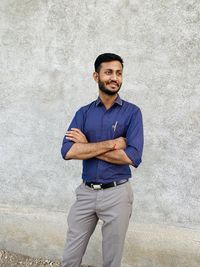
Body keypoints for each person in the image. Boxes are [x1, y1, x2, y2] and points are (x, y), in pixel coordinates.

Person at [61, 53, 144, 267]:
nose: (114, 77)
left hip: (117, 194)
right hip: (86, 193)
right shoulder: (84, 113)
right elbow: (68, 151)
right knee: (70, 256)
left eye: (118, 73)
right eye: (108, 72)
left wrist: (86, 146)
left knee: (111, 259)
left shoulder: (132, 113)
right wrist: (110, 144)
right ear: (96, 76)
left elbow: (131, 157)